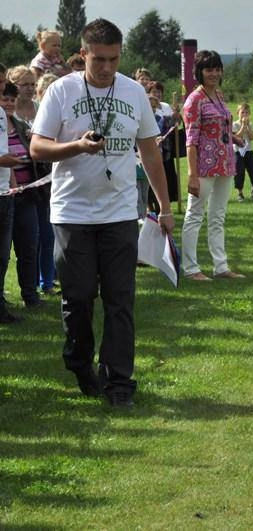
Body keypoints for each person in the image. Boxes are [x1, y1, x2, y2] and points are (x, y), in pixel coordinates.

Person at [30, 18, 175, 407]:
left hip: (119, 213)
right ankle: (79, 362)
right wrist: (76, 146)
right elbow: (38, 148)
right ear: (83, 55)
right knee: (77, 299)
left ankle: (119, 383)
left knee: (120, 299)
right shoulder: (61, 91)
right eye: (98, 60)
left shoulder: (133, 93)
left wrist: (164, 205)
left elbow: (150, 152)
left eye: (113, 59)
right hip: (71, 212)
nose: (107, 67)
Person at [181, 50, 244, 281]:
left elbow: (221, 127)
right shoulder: (193, 101)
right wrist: (192, 174)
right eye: (209, 69)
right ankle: (190, 269)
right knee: (194, 216)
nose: (214, 73)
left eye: (217, 69)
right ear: (199, 72)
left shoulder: (218, 94)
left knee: (218, 217)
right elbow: (191, 140)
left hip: (226, 163)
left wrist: (234, 137)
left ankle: (221, 266)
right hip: (203, 167)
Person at [2, 83, 44, 308]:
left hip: (27, 195)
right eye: (4, 98)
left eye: (11, 99)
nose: (8, 103)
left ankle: (31, 295)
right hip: (5, 195)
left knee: (29, 247)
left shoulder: (21, 125)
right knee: (3, 253)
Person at [0, 70, 24, 324]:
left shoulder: (1, 114)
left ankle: (0, 307)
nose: (2, 87)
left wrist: (12, 181)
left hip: (5, 193)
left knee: (3, 255)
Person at [145, 81, 179, 212]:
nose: (157, 94)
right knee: (148, 182)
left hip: (163, 152)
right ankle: (149, 207)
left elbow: (173, 123)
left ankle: (162, 207)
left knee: (164, 178)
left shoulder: (161, 116)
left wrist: (176, 116)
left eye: (159, 92)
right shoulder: (142, 116)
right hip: (146, 154)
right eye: (154, 91)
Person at [233, 102, 253, 201]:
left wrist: (248, 126)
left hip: (248, 151)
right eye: (242, 112)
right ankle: (240, 193)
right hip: (237, 152)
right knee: (239, 172)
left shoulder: (250, 124)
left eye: (246, 112)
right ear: (238, 113)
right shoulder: (234, 124)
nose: (244, 115)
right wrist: (242, 126)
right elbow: (237, 137)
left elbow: (252, 137)